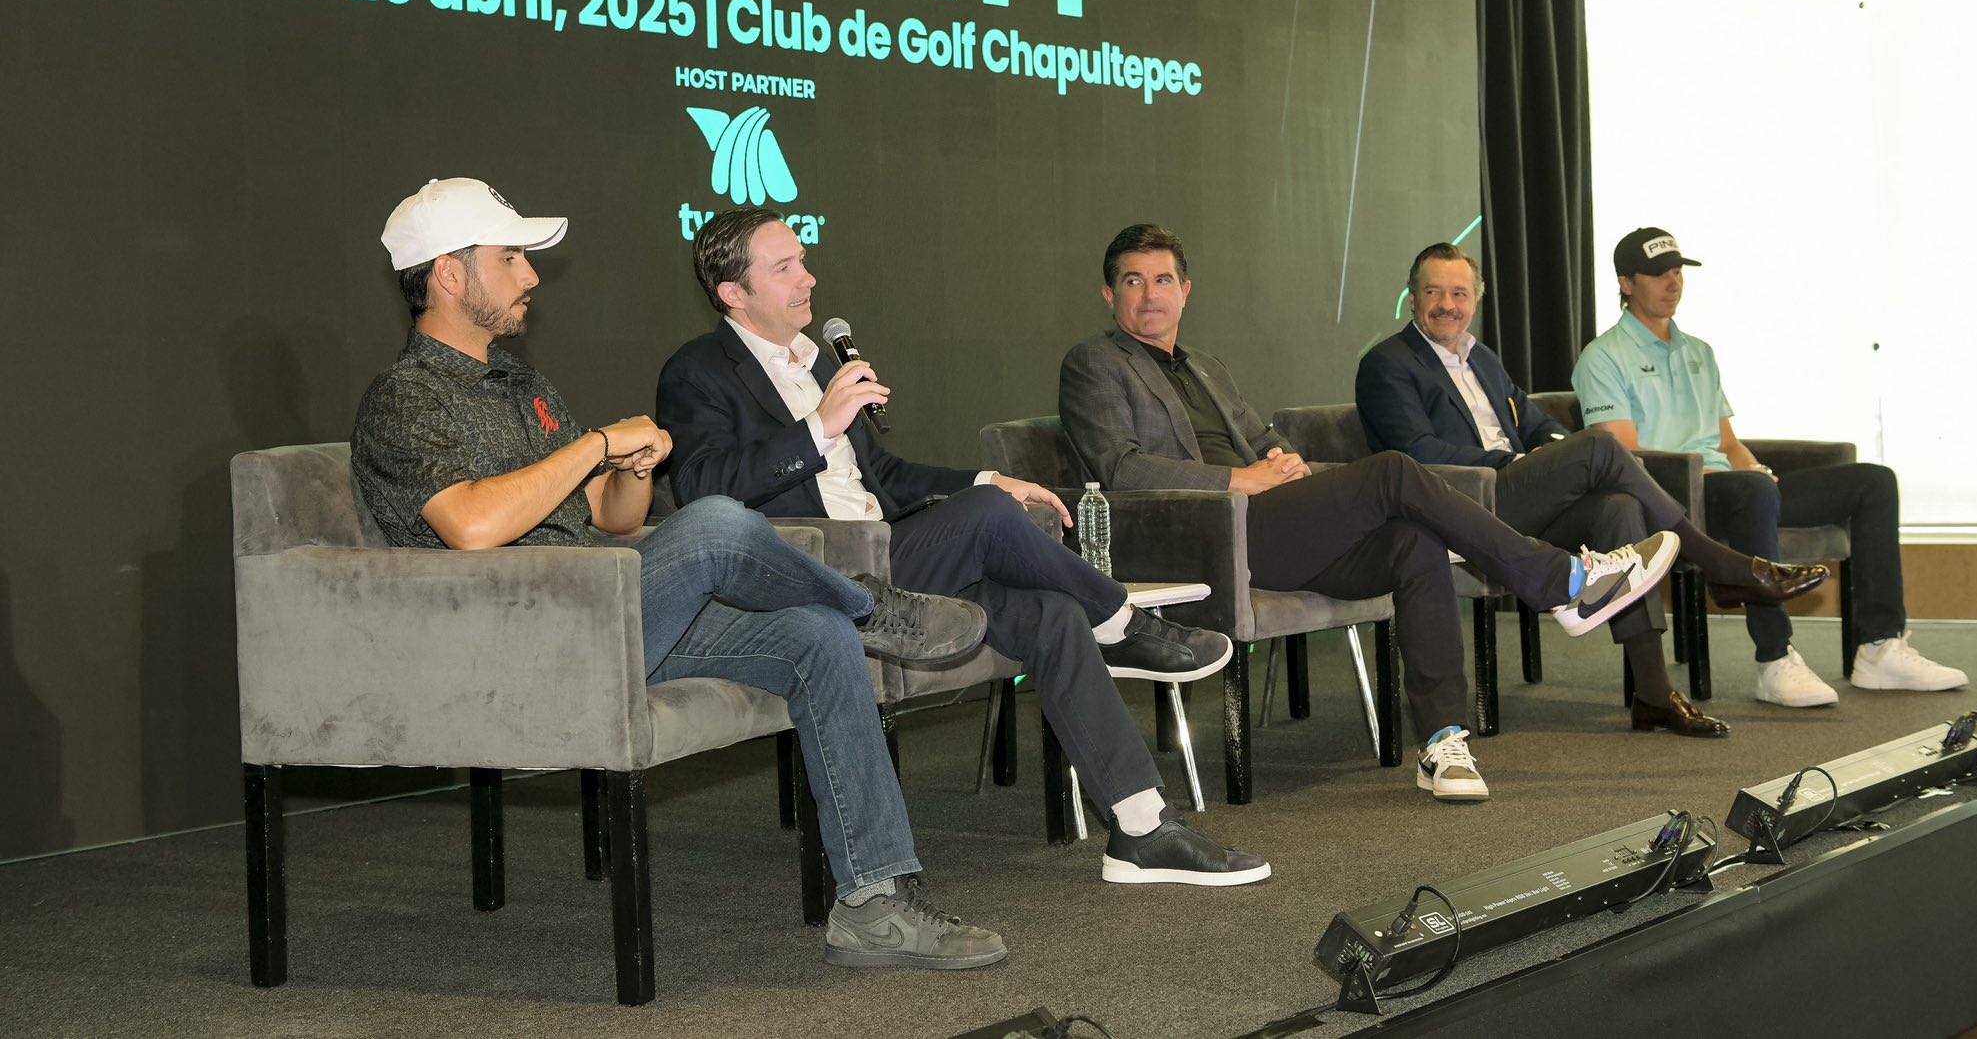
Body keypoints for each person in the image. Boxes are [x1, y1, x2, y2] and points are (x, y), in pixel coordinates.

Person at [350, 177, 1004, 969]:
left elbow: (613, 519)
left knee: (816, 635)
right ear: (450, 275)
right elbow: (471, 526)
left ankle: (873, 905)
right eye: (511, 258)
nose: (531, 276)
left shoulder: (524, 385)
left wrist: (632, 468)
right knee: (719, 520)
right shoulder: (404, 397)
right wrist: (595, 445)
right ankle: (870, 608)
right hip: (522, 645)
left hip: (607, 611)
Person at [656, 207, 1270, 886]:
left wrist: (986, 479)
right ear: (733, 292)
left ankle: (1142, 829)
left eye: (802, 260)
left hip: (893, 559)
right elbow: (703, 491)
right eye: (785, 268)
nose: (809, 278)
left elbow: (886, 478)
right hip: (820, 575)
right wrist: (816, 429)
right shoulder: (698, 371)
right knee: (991, 520)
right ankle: (1123, 621)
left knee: (1050, 613)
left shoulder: (816, 362)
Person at [1059, 224, 1681, 803]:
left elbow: (1263, 437)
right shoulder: (1094, 364)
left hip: (1274, 524)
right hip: (1204, 534)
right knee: (1392, 471)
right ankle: (1561, 581)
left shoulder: (1205, 366)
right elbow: (1121, 467)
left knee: (1414, 541)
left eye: (1163, 279)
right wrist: (1239, 479)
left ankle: (1442, 741)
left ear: (1185, 291)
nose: (1150, 295)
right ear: (1109, 294)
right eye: (1134, 281)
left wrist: (1283, 461)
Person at [1357, 243, 1830, 737]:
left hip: (1515, 504)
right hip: (1460, 508)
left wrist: (1555, 454)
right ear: (1412, 297)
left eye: (1459, 293)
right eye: (1433, 292)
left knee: (1619, 509)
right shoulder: (1387, 363)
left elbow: (1536, 424)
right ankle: (1722, 565)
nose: (1447, 305)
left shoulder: (1483, 359)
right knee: (1601, 448)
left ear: (1476, 298)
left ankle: (1653, 693)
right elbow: (1417, 451)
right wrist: (1524, 464)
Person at [1573, 227, 1966, 706]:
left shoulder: (1699, 352)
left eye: (1677, 272)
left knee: (1873, 482)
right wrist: (1728, 479)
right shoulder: (1603, 357)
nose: (1673, 283)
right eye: (1658, 274)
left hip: (1735, 489)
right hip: (1673, 498)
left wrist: (1755, 469)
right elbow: (1627, 458)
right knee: (1752, 492)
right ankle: (1774, 659)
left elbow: (1727, 442)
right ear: (1626, 283)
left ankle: (1881, 647)